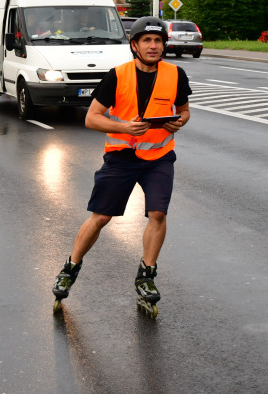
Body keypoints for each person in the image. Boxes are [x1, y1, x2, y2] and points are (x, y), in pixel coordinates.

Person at [51, 16, 192, 318]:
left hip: (159, 157)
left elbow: (184, 111)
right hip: (121, 157)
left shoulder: (176, 75)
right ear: (135, 45)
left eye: (158, 41)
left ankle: (147, 274)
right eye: (147, 41)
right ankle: (71, 267)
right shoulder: (117, 75)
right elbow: (92, 118)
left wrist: (178, 122)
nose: (153, 46)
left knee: (157, 213)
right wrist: (125, 128)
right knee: (101, 217)